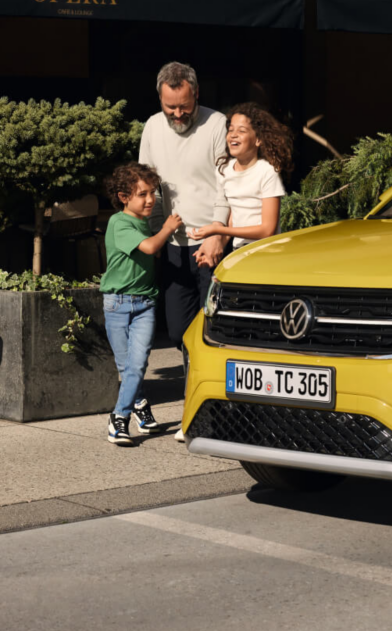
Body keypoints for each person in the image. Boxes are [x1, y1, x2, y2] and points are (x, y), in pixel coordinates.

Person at [139, 60, 227, 337]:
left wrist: (219, 233)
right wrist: (156, 234)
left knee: (212, 330)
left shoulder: (217, 123)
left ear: (196, 93)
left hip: (211, 241)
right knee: (178, 331)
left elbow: (228, 184)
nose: (177, 113)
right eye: (170, 107)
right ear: (160, 99)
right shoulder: (153, 126)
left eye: (184, 106)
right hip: (173, 244)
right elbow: (147, 186)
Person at [100, 162, 183, 446]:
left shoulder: (143, 222)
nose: (150, 200)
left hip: (145, 304)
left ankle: (121, 416)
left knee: (136, 365)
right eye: (143, 194)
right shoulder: (119, 222)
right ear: (124, 197)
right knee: (129, 368)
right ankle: (134, 410)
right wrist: (168, 228)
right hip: (118, 305)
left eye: (153, 193)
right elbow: (148, 247)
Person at [188, 103, 292, 249]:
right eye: (230, 130)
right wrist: (216, 245)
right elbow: (233, 220)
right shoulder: (224, 170)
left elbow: (268, 230)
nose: (233, 135)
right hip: (239, 251)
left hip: (266, 253)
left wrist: (217, 229)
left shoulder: (267, 173)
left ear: (258, 139)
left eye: (242, 131)